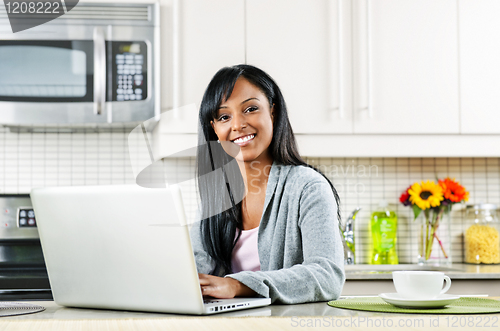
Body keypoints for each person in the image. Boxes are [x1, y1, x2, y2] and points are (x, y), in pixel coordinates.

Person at [190, 64, 345, 304]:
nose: (237, 125)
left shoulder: (308, 187)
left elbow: (327, 276)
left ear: (272, 112)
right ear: (214, 128)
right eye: (224, 117)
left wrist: (238, 285)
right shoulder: (215, 196)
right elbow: (196, 272)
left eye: (250, 109)